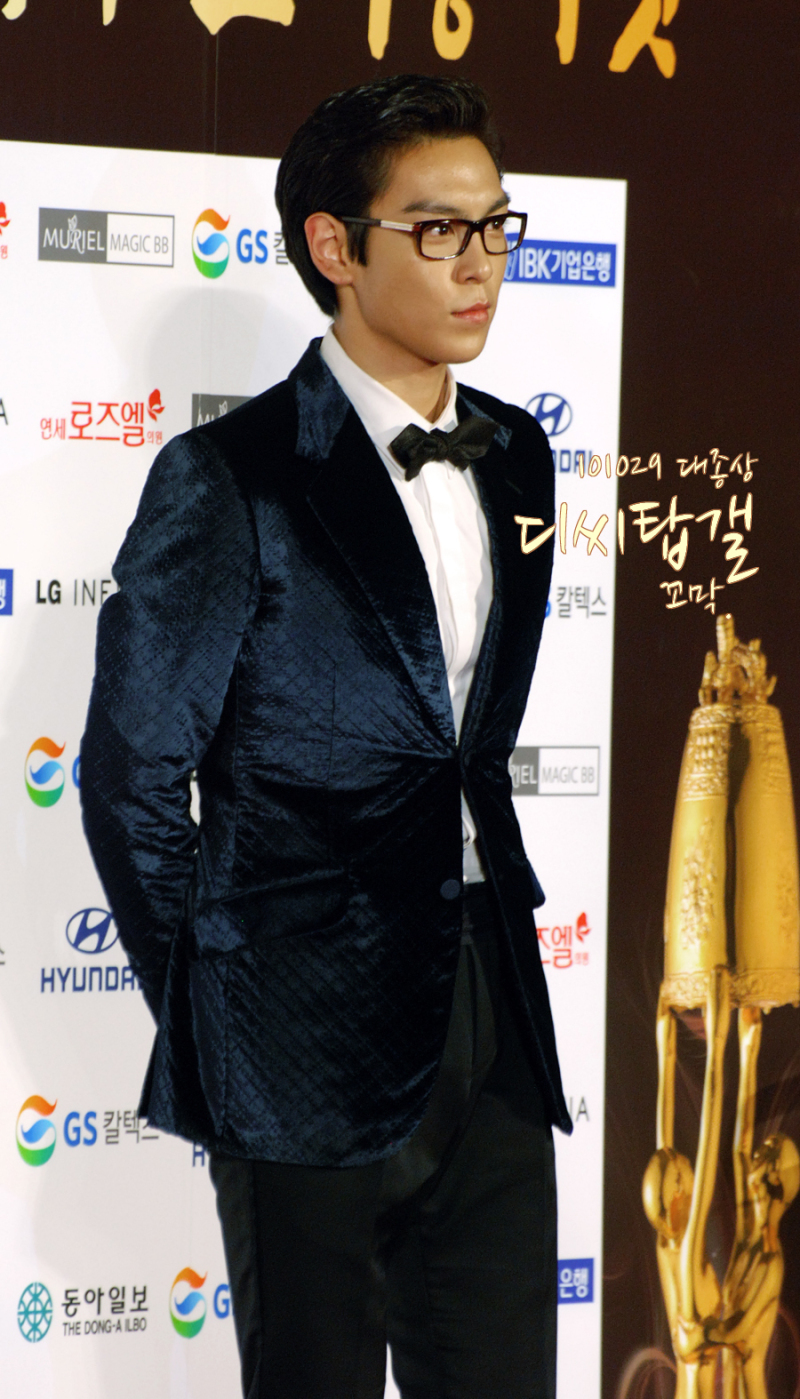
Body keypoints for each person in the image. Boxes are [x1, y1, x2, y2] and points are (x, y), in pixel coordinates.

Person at [80, 73, 571, 1399]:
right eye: (438, 229)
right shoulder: (229, 478)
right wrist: (225, 1014)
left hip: (492, 1011)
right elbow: (129, 780)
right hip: (294, 1039)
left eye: (496, 225)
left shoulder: (520, 457)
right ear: (335, 247)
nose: (481, 263)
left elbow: (465, 742)